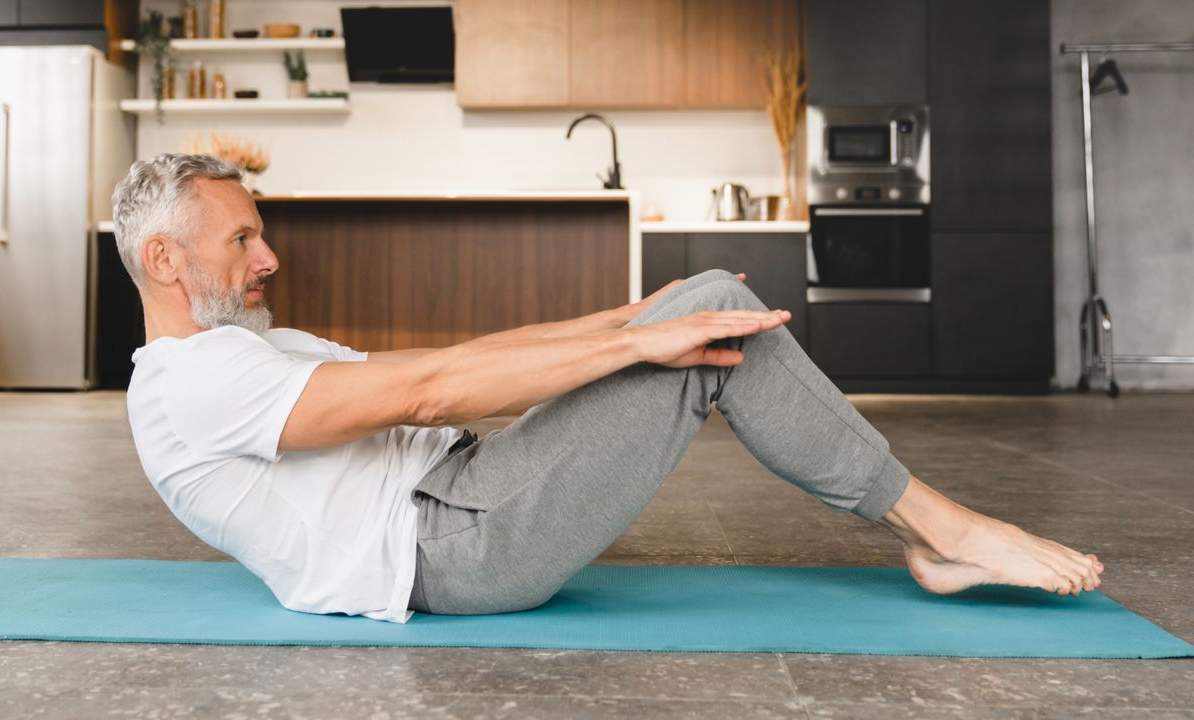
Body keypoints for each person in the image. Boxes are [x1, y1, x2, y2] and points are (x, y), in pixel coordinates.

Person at [113, 154, 1104, 624]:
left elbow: (456, 369)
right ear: (165, 259)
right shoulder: (194, 384)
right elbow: (429, 392)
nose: (268, 255)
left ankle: (930, 532)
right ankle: (946, 532)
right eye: (242, 236)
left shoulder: (244, 352)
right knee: (716, 316)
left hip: (465, 495)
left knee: (698, 307)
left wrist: (633, 316)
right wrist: (643, 346)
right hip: (450, 547)